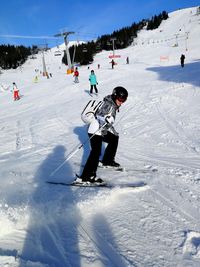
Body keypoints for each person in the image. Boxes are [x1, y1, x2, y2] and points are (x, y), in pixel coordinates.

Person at [78, 86, 128, 184]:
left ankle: (108, 161)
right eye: (121, 99)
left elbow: (108, 122)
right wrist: (105, 119)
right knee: (95, 152)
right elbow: (100, 115)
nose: (122, 102)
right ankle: (87, 177)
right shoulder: (108, 104)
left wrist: (112, 130)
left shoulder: (113, 105)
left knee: (114, 138)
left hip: (100, 130)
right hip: (95, 130)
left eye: (124, 100)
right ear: (115, 96)